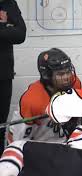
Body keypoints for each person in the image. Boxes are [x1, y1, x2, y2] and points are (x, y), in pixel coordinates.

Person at [7, 48, 82, 144]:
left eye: (68, 71)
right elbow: (18, 141)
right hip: (40, 145)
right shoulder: (32, 101)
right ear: (47, 75)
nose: (67, 77)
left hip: (64, 143)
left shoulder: (75, 84)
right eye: (60, 74)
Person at [0, 0, 26, 155]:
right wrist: (4, 26)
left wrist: (3, 26)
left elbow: (20, 34)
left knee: (2, 124)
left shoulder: (9, 4)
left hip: (3, 75)